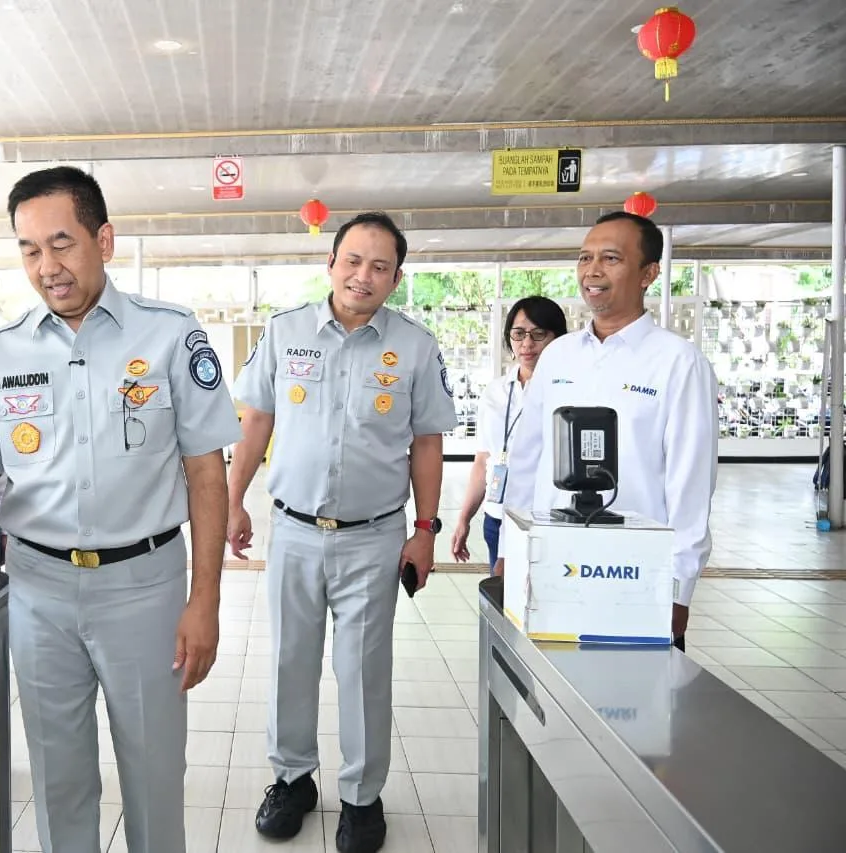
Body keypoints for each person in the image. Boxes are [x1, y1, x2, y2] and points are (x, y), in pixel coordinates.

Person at [0, 165, 240, 853]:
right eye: (29, 249)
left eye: (62, 243)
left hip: (145, 586)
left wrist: (205, 601)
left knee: (154, 774)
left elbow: (206, 475)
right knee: (59, 778)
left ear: (103, 240)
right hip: (38, 590)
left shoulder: (169, 336)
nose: (47, 266)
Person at [227, 211, 457, 853]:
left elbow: (427, 442)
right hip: (294, 530)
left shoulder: (415, 346)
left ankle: (361, 796)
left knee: (363, 670)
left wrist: (425, 530)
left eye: (380, 266)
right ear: (330, 264)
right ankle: (292, 780)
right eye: (353, 261)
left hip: (373, 537)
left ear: (396, 279)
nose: (363, 276)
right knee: (290, 661)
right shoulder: (285, 332)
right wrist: (234, 501)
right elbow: (255, 422)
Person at [497, 211, 718, 652]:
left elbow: (691, 483)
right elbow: (526, 460)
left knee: (630, 690)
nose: (592, 271)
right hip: (551, 567)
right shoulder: (559, 355)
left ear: (648, 274)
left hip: (634, 575)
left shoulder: (678, 362)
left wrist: (678, 587)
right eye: (585, 258)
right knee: (548, 687)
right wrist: (509, 550)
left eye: (611, 258)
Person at [451, 296, 567, 569]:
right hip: (497, 516)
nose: (527, 343)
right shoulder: (495, 391)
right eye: (518, 333)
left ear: (557, 338)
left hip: (547, 517)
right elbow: (484, 460)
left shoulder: (568, 390)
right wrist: (464, 518)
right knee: (501, 592)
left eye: (539, 334)